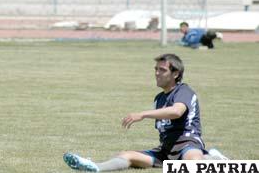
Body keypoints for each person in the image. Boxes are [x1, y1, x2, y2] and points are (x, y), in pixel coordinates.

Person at [63, 53, 228, 172]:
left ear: (176, 73)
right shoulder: (159, 98)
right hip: (166, 151)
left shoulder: (183, 91)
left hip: (188, 144)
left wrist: (142, 114)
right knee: (126, 155)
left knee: (191, 163)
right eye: (155, 69)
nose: (156, 73)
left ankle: (211, 159)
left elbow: (176, 112)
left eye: (162, 70)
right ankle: (94, 167)